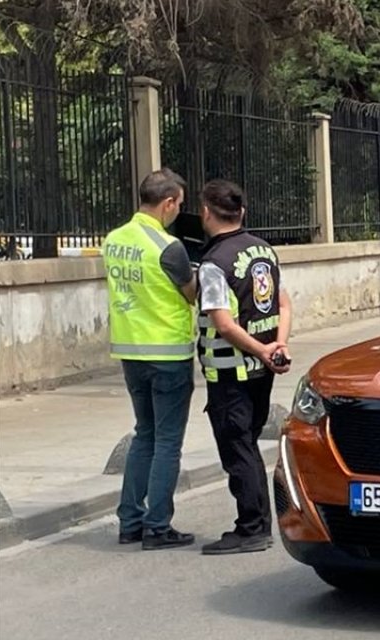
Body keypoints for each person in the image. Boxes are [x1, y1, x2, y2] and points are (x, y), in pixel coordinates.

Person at [194, 179, 293, 555]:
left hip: (230, 371)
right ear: (242, 213)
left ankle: (251, 527)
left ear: (205, 212)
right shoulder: (263, 250)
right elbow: (284, 304)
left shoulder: (213, 264)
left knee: (238, 448)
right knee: (248, 444)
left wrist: (263, 350)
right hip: (262, 370)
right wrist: (277, 345)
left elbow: (223, 324)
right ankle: (258, 523)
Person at [104, 168, 199, 551]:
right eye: (178, 205)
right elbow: (190, 294)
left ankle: (130, 522)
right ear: (168, 203)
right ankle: (158, 526)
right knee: (167, 442)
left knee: (144, 433)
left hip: (130, 351)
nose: (178, 212)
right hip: (168, 354)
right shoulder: (168, 247)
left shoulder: (114, 240)